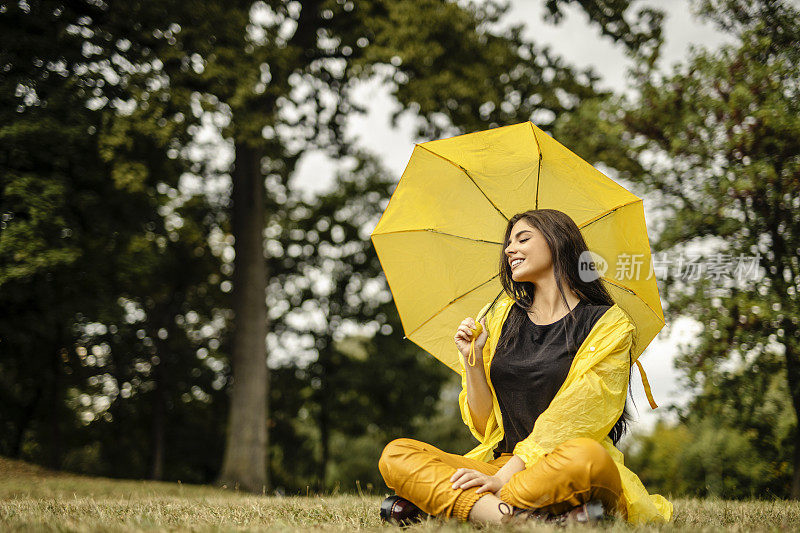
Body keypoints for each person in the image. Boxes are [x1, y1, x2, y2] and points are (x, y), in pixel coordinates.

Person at [378, 209, 673, 525]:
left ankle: (454, 507)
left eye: (523, 238)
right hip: (500, 465)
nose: (508, 249)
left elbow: (579, 413)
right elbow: (483, 425)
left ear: (557, 241)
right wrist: (472, 361)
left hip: (557, 467)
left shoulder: (608, 324)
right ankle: (527, 520)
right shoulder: (499, 316)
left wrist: (506, 477)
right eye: (508, 243)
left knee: (588, 458)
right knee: (397, 455)